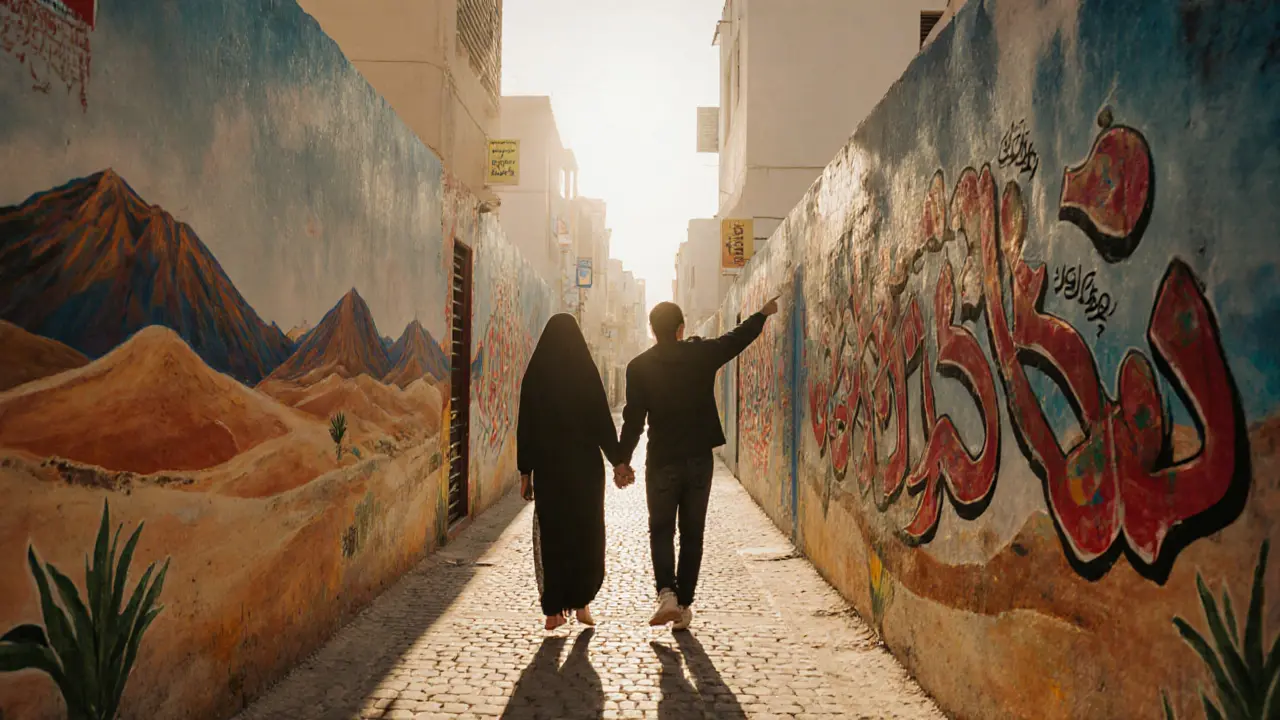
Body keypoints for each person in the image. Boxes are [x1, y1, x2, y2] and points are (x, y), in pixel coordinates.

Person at [616, 296, 779, 631]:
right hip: (698, 461)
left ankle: (667, 595)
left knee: (660, 529)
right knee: (693, 533)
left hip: (661, 460)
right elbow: (735, 340)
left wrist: (622, 461)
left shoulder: (639, 367)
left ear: (652, 330)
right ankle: (684, 604)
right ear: (680, 329)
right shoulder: (700, 355)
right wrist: (762, 314)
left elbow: (633, 421)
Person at [517, 314, 631, 630]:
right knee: (586, 535)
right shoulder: (585, 373)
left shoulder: (536, 374)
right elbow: (601, 422)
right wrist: (618, 461)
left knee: (554, 536)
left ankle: (553, 611)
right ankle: (582, 605)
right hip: (585, 471)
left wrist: (525, 472)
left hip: (550, 469)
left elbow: (525, 425)